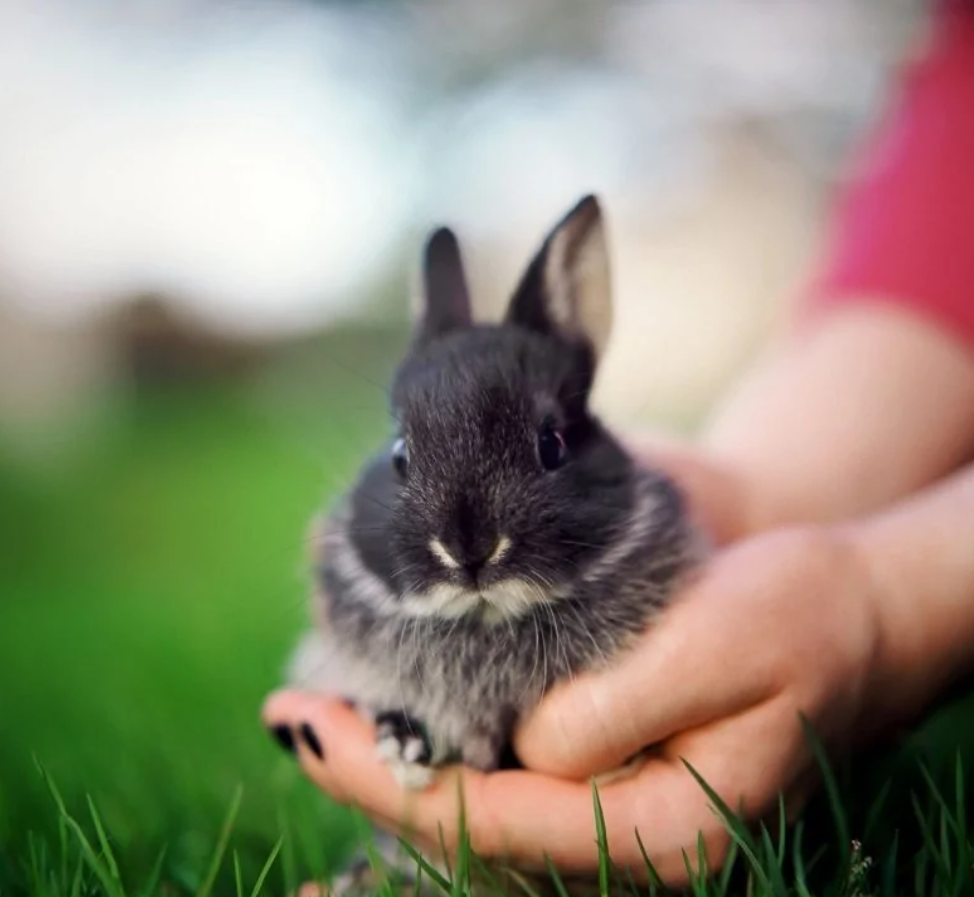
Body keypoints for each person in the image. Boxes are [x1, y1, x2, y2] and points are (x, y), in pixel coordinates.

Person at [262, 0, 974, 887]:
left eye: (545, 450)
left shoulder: (643, 526)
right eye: (409, 463)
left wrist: (892, 602)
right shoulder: (366, 557)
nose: (467, 541)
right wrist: (779, 492)